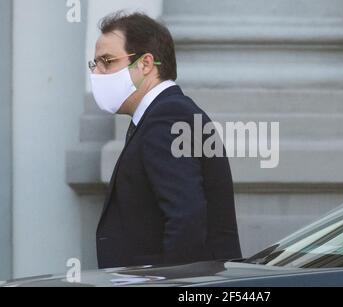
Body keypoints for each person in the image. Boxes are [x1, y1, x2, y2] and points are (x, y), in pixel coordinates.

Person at [89, 11, 242, 268]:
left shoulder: (167, 116)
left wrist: (169, 284)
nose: (98, 73)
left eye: (107, 61)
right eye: (95, 64)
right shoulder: (160, 114)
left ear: (146, 64)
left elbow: (186, 218)